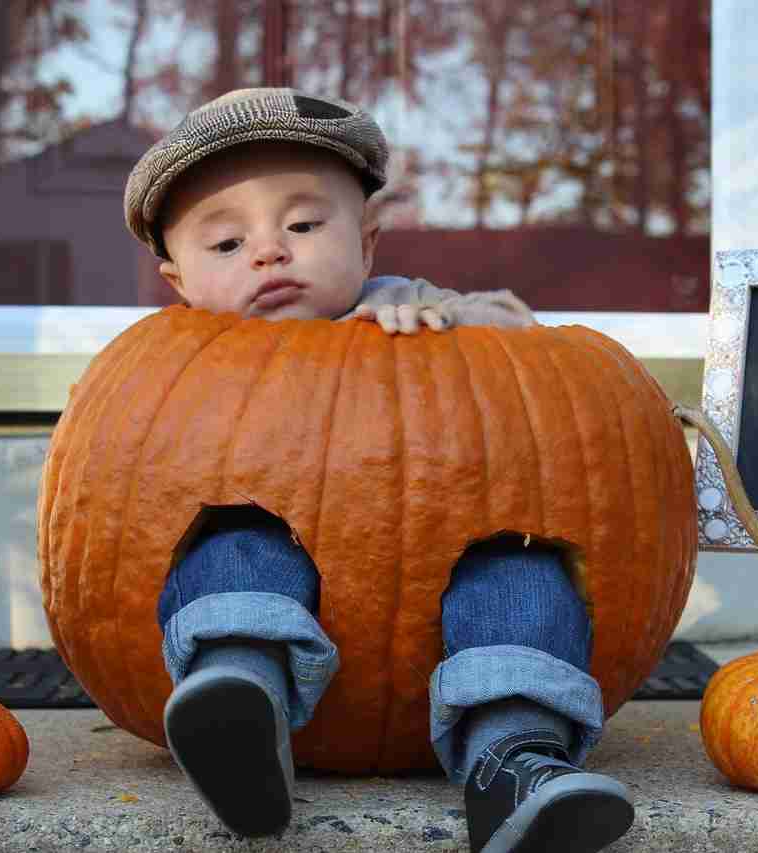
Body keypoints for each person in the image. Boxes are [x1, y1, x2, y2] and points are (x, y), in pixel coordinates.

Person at [122, 88, 635, 852]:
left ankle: (516, 757)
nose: (269, 250)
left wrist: (450, 326)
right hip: (276, 588)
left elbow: (536, 355)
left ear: (365, 243)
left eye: (302, 224)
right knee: (237, 546)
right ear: (179, 281)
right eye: (226, 244)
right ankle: (236, 706)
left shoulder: (407, 308)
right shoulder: (172, 364)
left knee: (520, 575)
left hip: (441, 615)